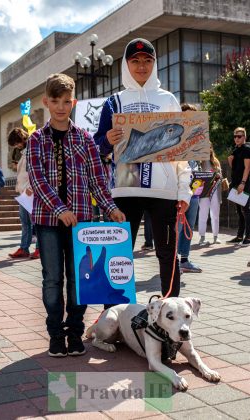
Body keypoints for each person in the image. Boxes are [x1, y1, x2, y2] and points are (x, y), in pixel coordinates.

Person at [26, 73, 125, 358]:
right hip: (47, 222)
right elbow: (38, 180)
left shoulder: (84, 139)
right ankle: (56, 334)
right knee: (52, 279)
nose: (60, 106)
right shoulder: (36, 140)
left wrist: (111, 208)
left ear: (74, 103)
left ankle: (75, 332)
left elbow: (97, 181)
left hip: (82, 221)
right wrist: (60, 209)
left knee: (80, 279)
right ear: (46, 101)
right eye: (55, 101)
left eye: (66, 101)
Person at [94, 38, 191, 298]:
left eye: (147, 61)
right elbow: (95, 148)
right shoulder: (114, 102)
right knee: (117, 257)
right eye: (135, 61)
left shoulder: (168, 99)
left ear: (154, 64)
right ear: (126, 65)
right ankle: (114, 320)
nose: (141, 66)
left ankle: (171, 320)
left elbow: (182, 153)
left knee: (168, 256)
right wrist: (106, 141)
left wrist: (184, 192)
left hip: (164, 192)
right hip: (125, 190)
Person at [7, 128, 39, 259]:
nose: (17, 146)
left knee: (36, 223)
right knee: (25, 223)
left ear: (21, 138)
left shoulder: (33, 147)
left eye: (17, 143)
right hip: (23, 192)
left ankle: (39, 249)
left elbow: (35, 169)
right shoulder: (24, 152)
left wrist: (32, 186)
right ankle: (24, 248)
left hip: (30, 191)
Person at [178, 103, 202, 273]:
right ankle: (173, 261)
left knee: (188, 227)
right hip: (179, 191)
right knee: (177, 227)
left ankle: (184, 260)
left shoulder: (198, 140)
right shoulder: (175, 138)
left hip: (195, 191)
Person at [227, 127, 250, 246]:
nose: (237, 138)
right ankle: (240, 235)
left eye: (239, 136)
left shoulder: (247, 149)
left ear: (244, 137)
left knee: (246, 211)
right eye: (235, 136)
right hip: (236, 183)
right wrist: (230, 160)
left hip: (244, 184)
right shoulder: (236, 149)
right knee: (239, 211)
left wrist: (243, 183)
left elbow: (247, 168)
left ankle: (248, 237)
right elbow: (234, 168)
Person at [198, 143, 222, 246]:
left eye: (209, 147)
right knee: (203, 214)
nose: (208, 149)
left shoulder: (216, 161)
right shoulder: (199, 161)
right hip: (203, 191)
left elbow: (220, 177)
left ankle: (215, 237)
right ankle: (202, 237)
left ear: (211, 148)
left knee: (215, 215)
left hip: (215, 190)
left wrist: (218, 175)